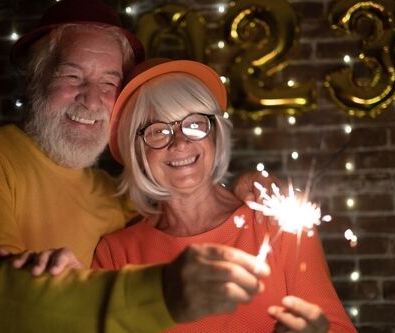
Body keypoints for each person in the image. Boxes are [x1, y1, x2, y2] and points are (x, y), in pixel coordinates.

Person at [0, 0, 273, 332]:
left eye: (108, 84)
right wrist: (159, 293)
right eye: (72, 76)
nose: (90, 99)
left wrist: (241, 191)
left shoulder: (116, 196)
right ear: (36, 77)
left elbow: (187, 211)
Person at [25, 59, 357, 332]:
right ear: (135, 149)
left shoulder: (275, 222)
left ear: (215, 134)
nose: (180, 143)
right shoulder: (116, 252)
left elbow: (338, 328)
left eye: (194, 124)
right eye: (158, 131)